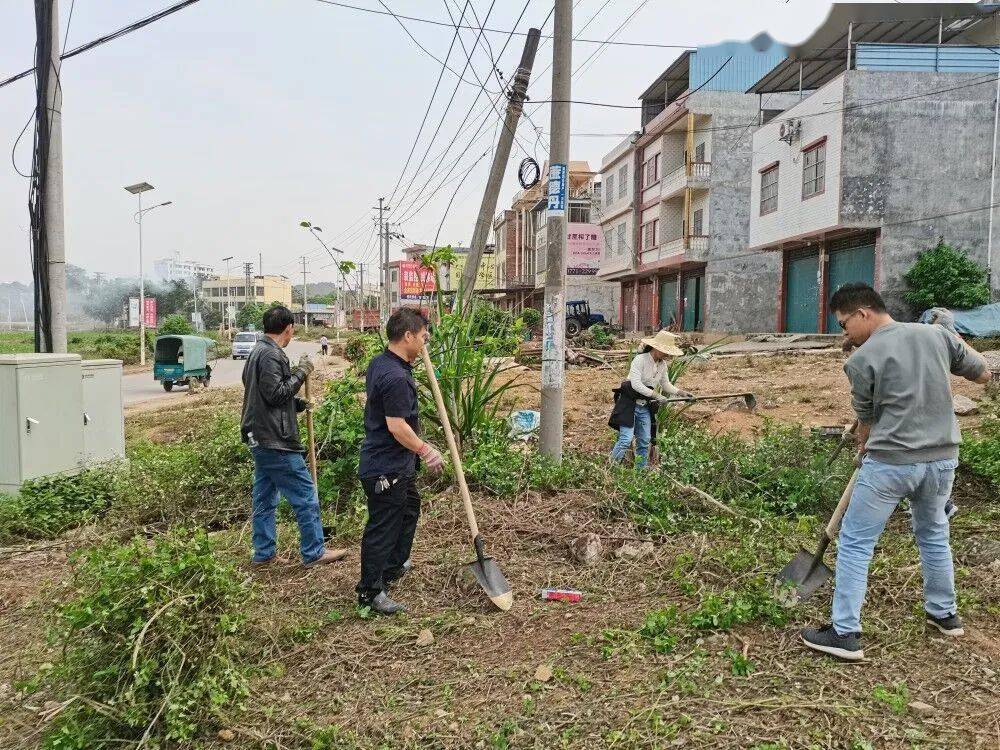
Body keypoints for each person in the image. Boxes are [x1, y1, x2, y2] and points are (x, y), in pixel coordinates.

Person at [801, 283, 989, 662]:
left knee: (856, 543)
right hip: (941, 461)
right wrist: (949, 342)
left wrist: (864, 439)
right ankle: (945, 615)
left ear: (863, 313)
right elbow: (983, 374)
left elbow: (867, 423)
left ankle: (845, 632)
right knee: (934, 535)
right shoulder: (936, 335)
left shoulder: (860, 360)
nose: (845, 334)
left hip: (891, 464)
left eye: (843, 325)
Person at [240, 305, 346, 568]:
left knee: (264, 497)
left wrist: (297, 404)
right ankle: (314, 552)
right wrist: (302, 372)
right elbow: (275, 393)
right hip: (275, 439)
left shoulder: (256, 352)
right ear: (289, 329)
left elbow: (264, 394)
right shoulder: (271, 355)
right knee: (305, 494)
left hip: (258, 435)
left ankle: (263, 552)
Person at [356, 308, 445, 615]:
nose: (425, 344)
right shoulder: (395, 377)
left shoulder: (381, 363)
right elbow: (396, 426)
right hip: (386, 467)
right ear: (408, 336)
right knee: (383, 526)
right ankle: (370, 591)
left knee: (408, 510)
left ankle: (392, 567)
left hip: (394, 464)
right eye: (423, 337)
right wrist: (426, 450)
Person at [609, 330, 694, 468]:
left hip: (644, 407)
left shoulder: (662, 365)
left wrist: (681, 392)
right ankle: (610, 467)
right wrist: (655, 395)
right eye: (665, 350)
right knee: (625, 439)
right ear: (656, 347)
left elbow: (665, 384)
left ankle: (640, 473)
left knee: (644, 441)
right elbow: (636, 384)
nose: (666, 354)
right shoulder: (640, 360)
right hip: (629, 404)